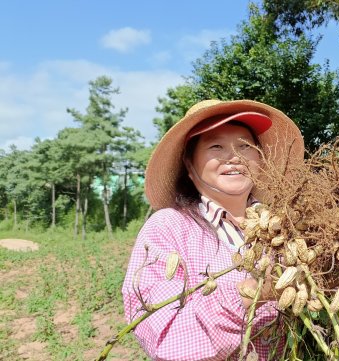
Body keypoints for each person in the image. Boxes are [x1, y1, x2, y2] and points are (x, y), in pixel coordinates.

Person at [121, 99, 305, 360]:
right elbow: (167, 338)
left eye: (245, 146)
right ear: (189, 163)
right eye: (216, 146)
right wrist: (256, 292)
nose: (235, 157)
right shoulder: (168, 228)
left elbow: (332, 323)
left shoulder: (286, 227)